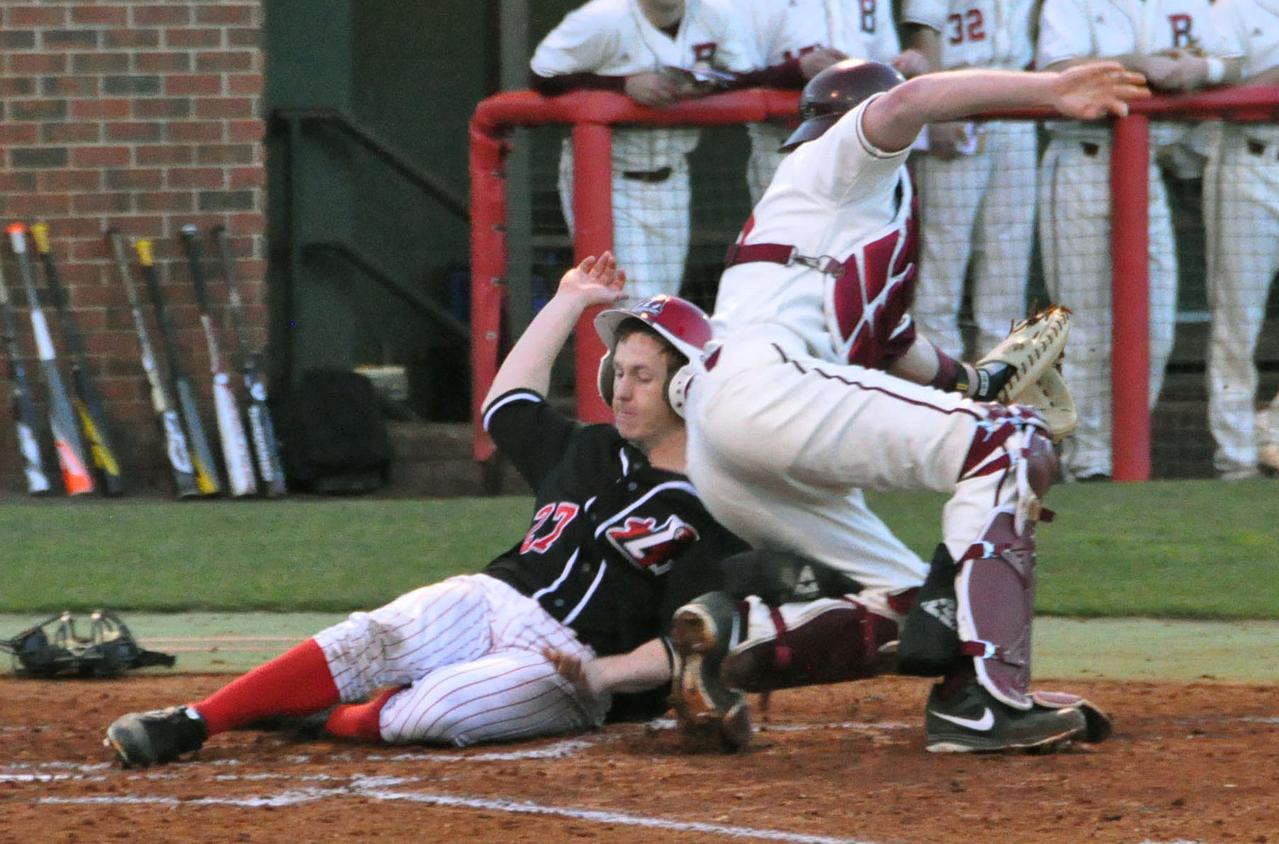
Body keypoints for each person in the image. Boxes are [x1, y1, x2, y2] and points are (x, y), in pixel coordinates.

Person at [665, 58, 1147, 753]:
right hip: (767, 385)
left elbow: (899, 348)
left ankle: (733, 634)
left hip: (726, 434)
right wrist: (1048, 90)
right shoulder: (837, 163)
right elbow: (912, 99)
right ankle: (982, 702)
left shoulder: (852, 217)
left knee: (901, 604)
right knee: (1009, 442)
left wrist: (978, 383)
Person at [103, 253, 747, 767]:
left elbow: (685, 639)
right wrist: (569, 300)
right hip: (494, 597)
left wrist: (601, 675)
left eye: (643, 375)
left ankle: (312, 712)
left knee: (438, 710)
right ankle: (193, 722)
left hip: (570, 665)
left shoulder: (714, 506)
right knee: (374, 636)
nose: (622, 389)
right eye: (619, 372)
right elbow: (507, 403)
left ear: (688, 385)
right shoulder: (588, 447)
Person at [1036, 0, 1241, 481]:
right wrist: (1136, 63)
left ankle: (1124, 449)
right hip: (1082, 157)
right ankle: (1087, 461)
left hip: (1146, 161)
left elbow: (1231, 60)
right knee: (1082, 327)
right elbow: (1056, 70)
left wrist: (1198, 67)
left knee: (1156, 323)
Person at [529, 0, 757, 300]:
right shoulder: (603, 17)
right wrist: (622, 85)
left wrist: (703, 86)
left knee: (661, 302)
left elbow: (747, 74)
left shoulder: (713, 14)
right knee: (631, 304)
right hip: (608, 176)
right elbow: (541, 75)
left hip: (673, 177)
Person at [901, 0, 1040, 360]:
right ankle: (937, 386)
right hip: (960, 98)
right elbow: (922, 31)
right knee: (943, 254)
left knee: (1009, 254)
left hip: (1017, 100)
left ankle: (999, 383)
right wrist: (937, 110)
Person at [737, 0, 931, 203]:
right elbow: (729, 78)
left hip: (865, 149)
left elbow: (886, 66)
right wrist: (796, 70)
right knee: (793, 232)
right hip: (787, 150)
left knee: (869, 232)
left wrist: (905, 67)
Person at [1203, 0, 1279, 479]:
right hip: (1249, 163)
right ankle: (1235, 461)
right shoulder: (1228, 10)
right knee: (1237, 324)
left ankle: (1271, 423)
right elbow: (1227, 100)